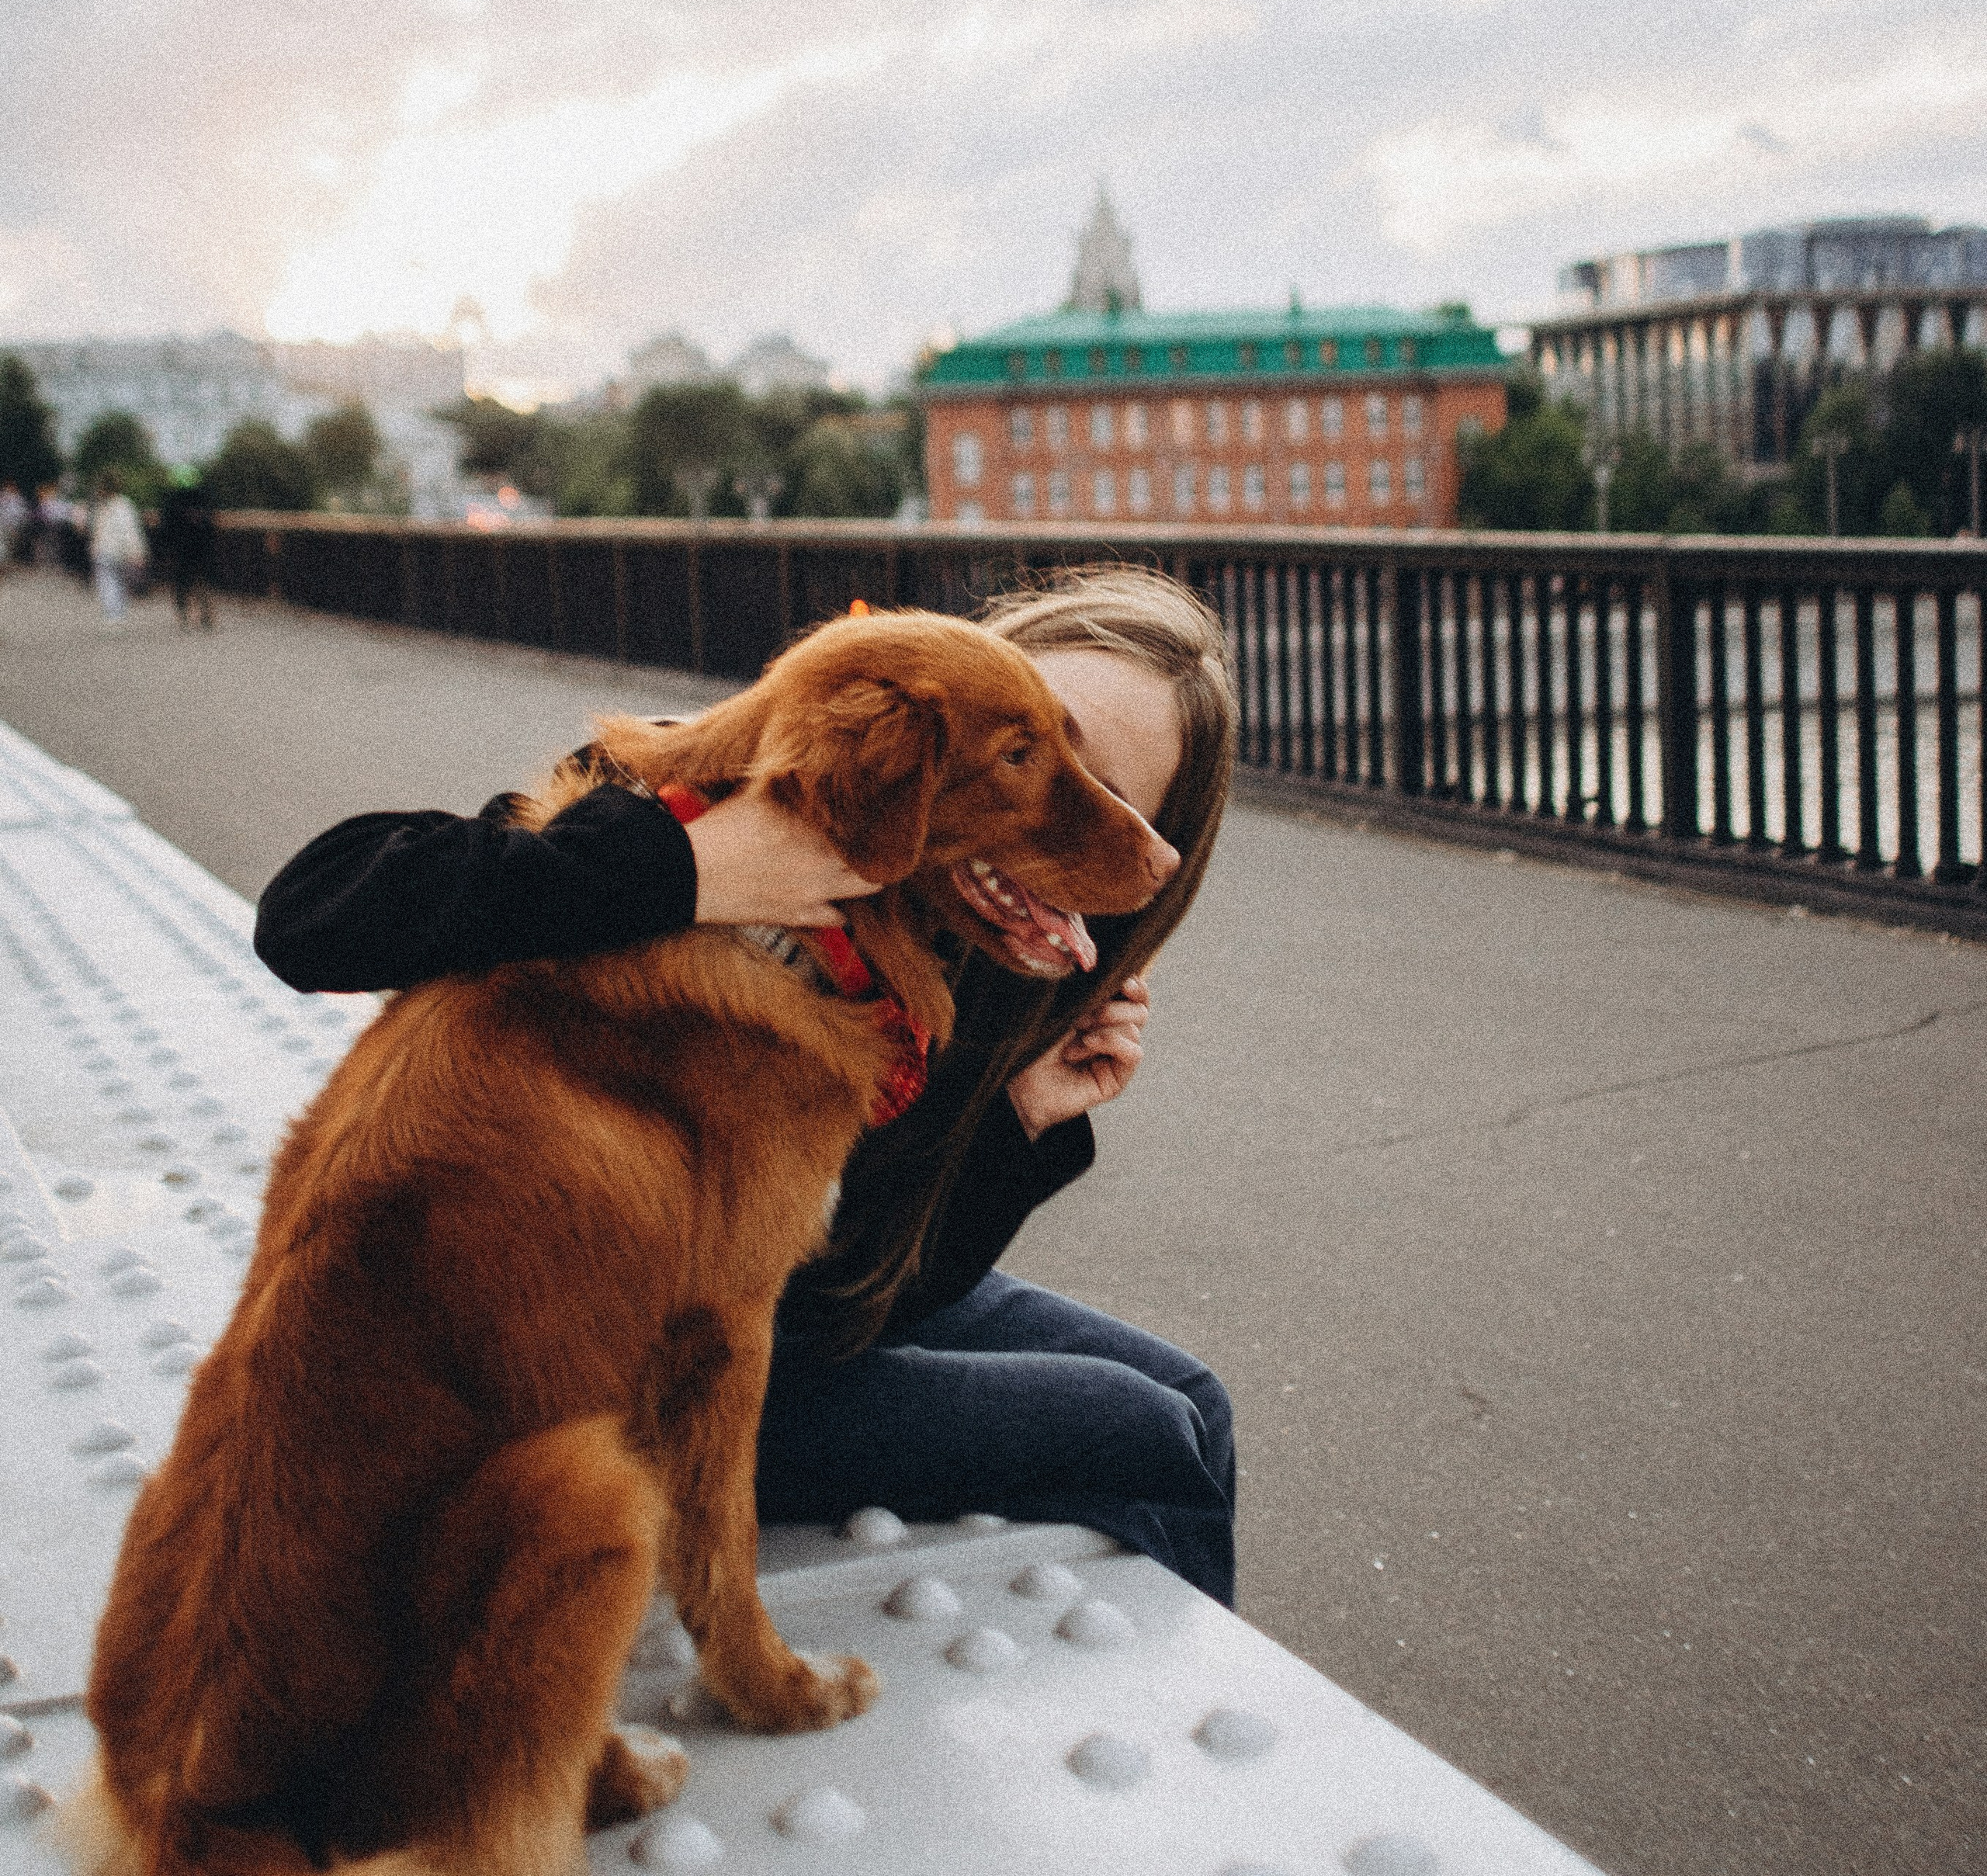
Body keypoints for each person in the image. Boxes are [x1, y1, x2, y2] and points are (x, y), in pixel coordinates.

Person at [254, 569, 1241, 1602]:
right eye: (1038, 744)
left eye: (1114, 803)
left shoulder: (996, 940)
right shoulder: (706, 792)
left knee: (1191, 1398)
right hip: (606, 1372)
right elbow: (313, 912)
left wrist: (1016, 1124)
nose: (1076, 814)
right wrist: (681, 867)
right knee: (1146, 1432)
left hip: (784, 1316)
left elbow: (853, 1296)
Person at [153, 470, 219, 630]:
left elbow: (165, 529)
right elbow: (210, 526)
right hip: (202, 548)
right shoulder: (204, 500)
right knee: (203, 581)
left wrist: (163, 550)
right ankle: (206, 615)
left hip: (180, 549)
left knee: (181, 582)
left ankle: (184, 616)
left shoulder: (171, 502)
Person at [87, 473, 147, 625]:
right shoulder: (125, 505)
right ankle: (119, 612)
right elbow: (131, 530)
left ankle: (112, 613)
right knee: (119, 581)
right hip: (120, 550)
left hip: (104, 549)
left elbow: (95, 528)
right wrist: (136, 550)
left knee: (107, 582)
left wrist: (94, 545)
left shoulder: (101, 505)